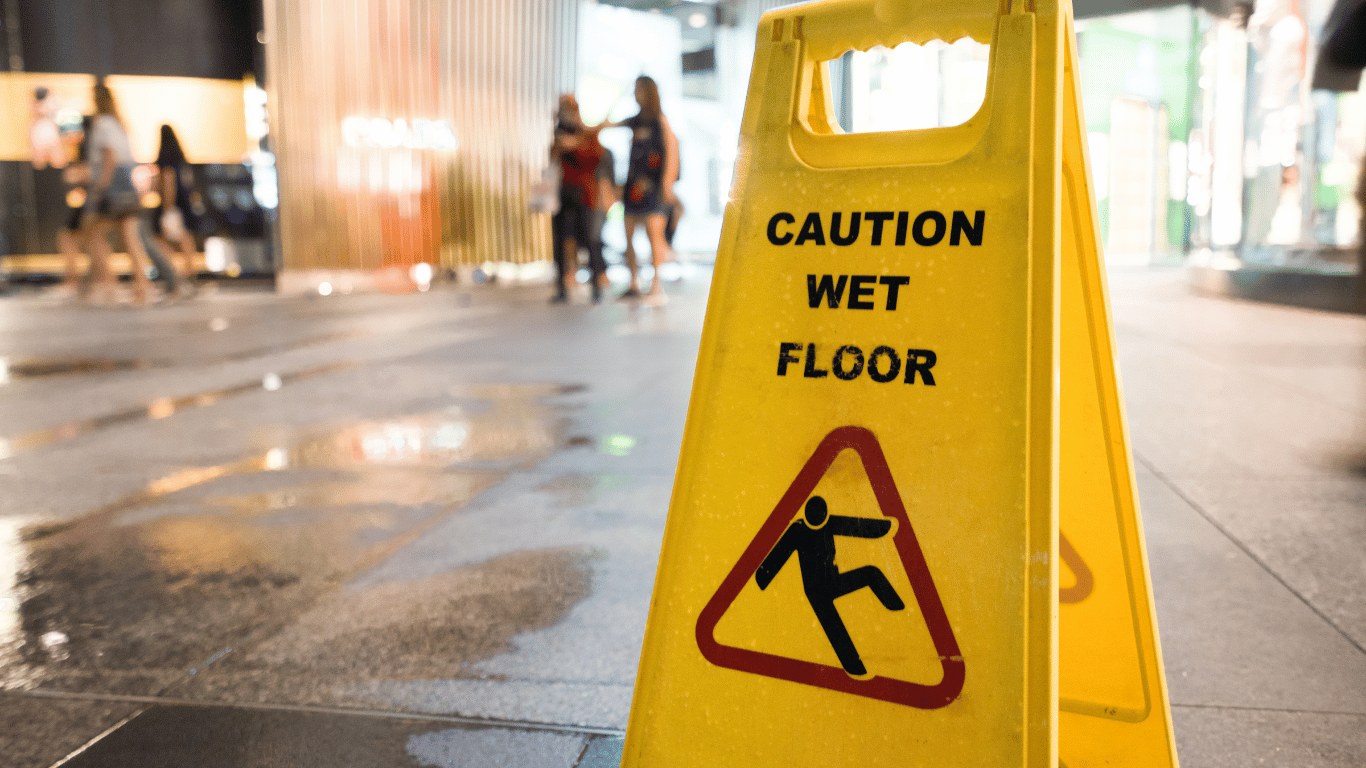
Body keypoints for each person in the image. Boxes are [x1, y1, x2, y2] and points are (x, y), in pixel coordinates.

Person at [600, 76, 679, 304]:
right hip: (633, 186)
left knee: (655, 233)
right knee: (629, 234)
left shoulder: (660, 121)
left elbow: (671, 152)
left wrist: (667, 184)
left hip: (653, 187)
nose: (636, 94)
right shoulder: (634, 121)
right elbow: (605, 125)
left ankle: (656, 284)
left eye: (639, 90)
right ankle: (633, 282)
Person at [82, 80, 157, 305]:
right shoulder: (119, 123)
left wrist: (100, 187)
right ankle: (143, 286)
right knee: (129, 237)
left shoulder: (103, 123)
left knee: (94, 234)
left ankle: (109, 285)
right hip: (126, 181)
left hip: (112, 182)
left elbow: (109, 157)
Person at [550, 94, 608, 303]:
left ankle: (596, 286)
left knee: (590, 240)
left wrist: (576, 144)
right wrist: (560, 144)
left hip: (584, 194)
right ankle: (561, 287)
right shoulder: (559, 131)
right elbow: (553, 158)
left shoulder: (586, 133)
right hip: (562, 193)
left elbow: (596, 158)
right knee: (561, 241)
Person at [151, 125, 198, 296]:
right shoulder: (181, 159)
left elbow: (168, 181)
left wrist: (167, 207)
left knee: (162, 239)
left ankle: (174, 273)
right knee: (184, 238)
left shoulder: (167, 159)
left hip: (173, 205)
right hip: (184, 205)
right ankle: (189, 273)